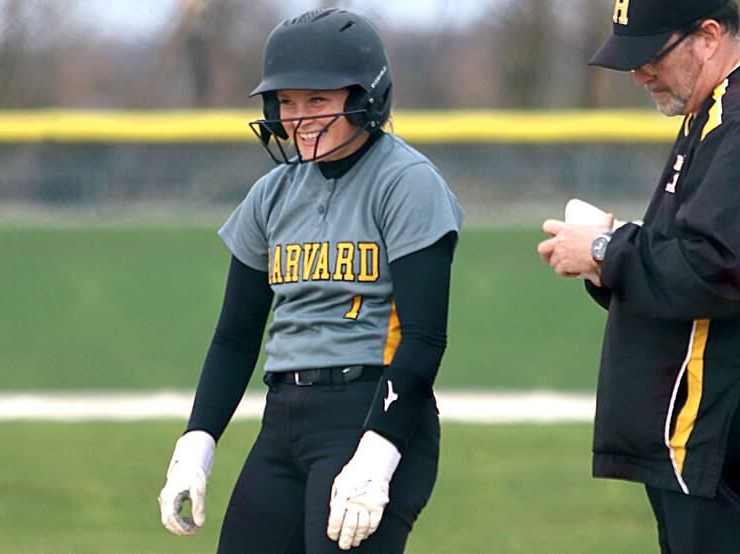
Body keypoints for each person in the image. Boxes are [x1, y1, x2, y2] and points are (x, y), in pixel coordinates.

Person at [157, 8, 463, 553]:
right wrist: (196, 441)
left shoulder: (406, 182)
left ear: (365, 97)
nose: (297, 117)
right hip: (283, 420)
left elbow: (421, 339)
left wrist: (378, 452)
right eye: (287, 101)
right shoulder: (272, 194)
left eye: (317, 100)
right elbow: (235, 336)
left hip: (371, 408)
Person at [538, 0, 740, 551]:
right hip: (695, 439)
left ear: (708, 35)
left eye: (653, 53)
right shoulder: (708, 112)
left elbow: (717, 270)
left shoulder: (734, 120)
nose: (638, 72)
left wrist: (607, 250)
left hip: (711, 433)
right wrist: (615, 244)